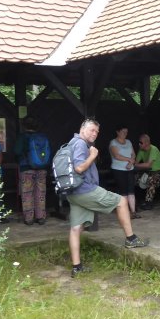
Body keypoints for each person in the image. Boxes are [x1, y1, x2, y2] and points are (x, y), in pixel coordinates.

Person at [66, 119, 147, 278]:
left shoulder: (71, 143)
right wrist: (93, 155)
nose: (94, 134)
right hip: (85, 190)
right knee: (121, 201)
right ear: (82, 129)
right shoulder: (81, 144)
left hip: (73, 192)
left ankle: (77, 267)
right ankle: (131, 239)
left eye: (96, 131)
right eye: (91, 130)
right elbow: (79, 167)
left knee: (76, 228)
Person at [14, 116, 49, 225]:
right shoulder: (42, 137)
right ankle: (40, 217)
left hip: (26, 168)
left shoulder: (23, 137)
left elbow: (17, 151)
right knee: (40, 193)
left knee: (27, 193)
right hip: (42, 168)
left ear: (24, 125)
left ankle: (29, 218)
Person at [109, 126, 138, 218]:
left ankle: (133, 212)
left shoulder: (129, 142)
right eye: (123, 132)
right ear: (117, 132)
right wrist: (129, 160)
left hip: (129, 168)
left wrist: (131, 161)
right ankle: (125, 212)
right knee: (123, 191)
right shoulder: (113, 142)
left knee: (131, 191)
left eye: (126, 132)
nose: (125, 134)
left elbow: (133, 154)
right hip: (118, 169)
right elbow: (116, 156)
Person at [134, 134, 160, 210]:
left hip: (159, 172)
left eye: (141, 142)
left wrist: (137, 165)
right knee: (135, 178)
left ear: (147, 143)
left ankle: (149, 203)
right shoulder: (141, 150)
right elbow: (136, 163)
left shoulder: (153, 149)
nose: (139, 144)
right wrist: (136, 165)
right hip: (148, 171)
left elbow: (148, 165)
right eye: (139, 142)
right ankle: (139, 200)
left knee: (151, 180)